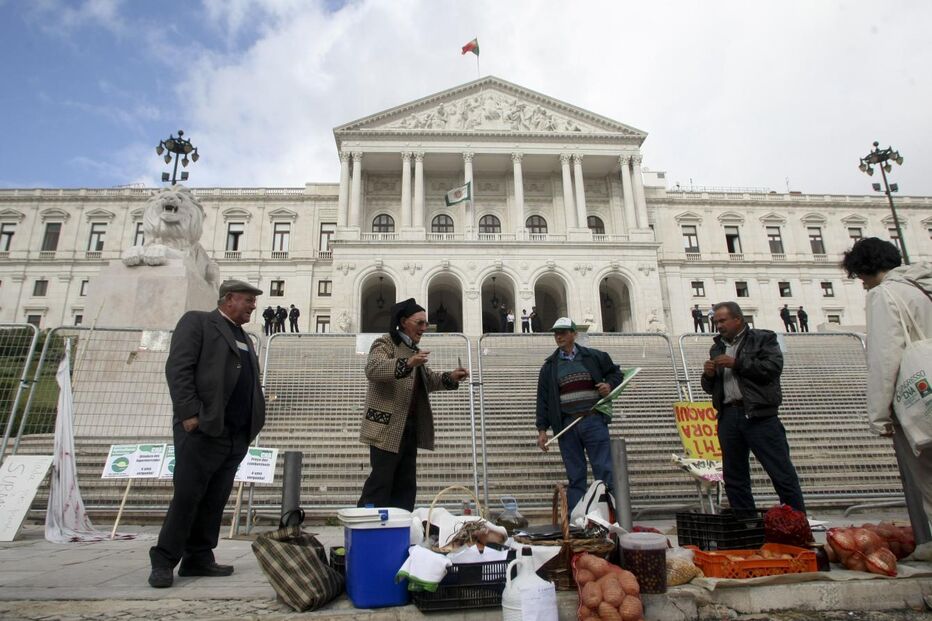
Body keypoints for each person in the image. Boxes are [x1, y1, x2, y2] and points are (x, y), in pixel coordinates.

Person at [149, 280, 266, 588]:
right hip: (202, 429)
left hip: (235, 434)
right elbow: (179, 368)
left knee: (215, 498)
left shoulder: (244, 337)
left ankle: (199, 557)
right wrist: (189, 414)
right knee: (188, 496)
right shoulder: (198, 322)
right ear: (228, 299)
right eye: (248, 300)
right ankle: (163, 559)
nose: (253, 306)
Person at [842, 237, 932, 527]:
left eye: (859, 276)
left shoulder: (885, 294)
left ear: (864, 268)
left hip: (921, 397)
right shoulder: (923, 288)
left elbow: (884, 356)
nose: (862, 284)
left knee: (929, 482)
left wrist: (878, 416)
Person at [357, 298, 469, 510]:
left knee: (406, 485)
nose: (424, 328)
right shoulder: (385, 343)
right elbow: (373, 369)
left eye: (425, 323)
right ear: (403, 322)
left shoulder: (413, 350)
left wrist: (452, 377)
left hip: (409, 428)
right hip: (386, 428)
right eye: (419, 323)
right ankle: (367, 529)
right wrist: (408, 363)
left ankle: (399, 528)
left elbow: (429, 380)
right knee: (380, 483)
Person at [701, 301, 805, 513]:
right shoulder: (717, 347)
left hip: (759, 415)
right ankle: (745, 525)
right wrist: (708, 375)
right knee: (734, 477)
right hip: (728, 415)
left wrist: (736, 363)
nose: (718, 325)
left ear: (738, 319)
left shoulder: (763, 338)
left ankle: (797, 522)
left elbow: (772, 369)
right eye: (715, 321)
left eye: (722, 320)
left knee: (781, 472)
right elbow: (711, 388)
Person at [535, 317, 623, 510]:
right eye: (556, 333)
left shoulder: (594, 356)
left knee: (605, 471)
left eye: (564, 333)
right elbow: (543, 400)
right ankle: (577, 520)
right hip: (567, 425)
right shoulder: (549, 367)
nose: (559, 337)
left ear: (574, 334)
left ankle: (611, 515)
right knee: (575, 476)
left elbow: (616, 374)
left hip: (593, 420)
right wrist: (542, 430)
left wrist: (609, 385)